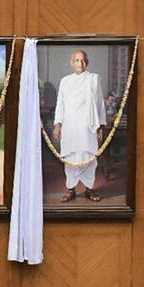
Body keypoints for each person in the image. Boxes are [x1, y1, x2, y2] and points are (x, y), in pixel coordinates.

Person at [52, 50, 106, 203]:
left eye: (82, 60)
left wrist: (101, 124)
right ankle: (71, 190)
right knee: (71, 157)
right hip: (70, 126)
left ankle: (89, 189)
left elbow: (100, 103)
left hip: (88, 126)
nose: (80, 64)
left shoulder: (94, 79)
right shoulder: (65, 81)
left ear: (87, 62)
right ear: (72, 63)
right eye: (77, 60)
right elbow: (60, 104)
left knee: (89, 157)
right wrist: (58, 125)